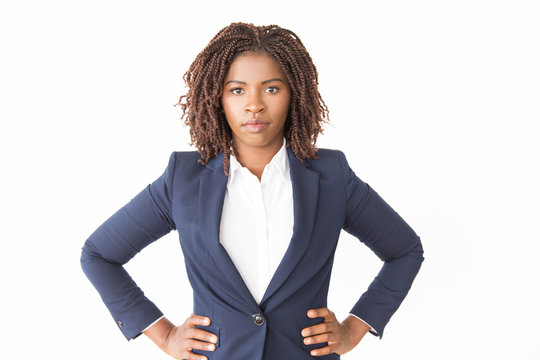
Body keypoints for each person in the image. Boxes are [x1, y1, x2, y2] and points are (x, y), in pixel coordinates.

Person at [80, 22, 424, 360]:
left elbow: (404, 250)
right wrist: (165, 334)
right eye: (237, 90)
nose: (254, 104)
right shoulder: (182, 177)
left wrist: (355, 327)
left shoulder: (332, 175)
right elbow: (99, 254)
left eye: (272, 89)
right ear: (217, 98)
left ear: (294, 94)